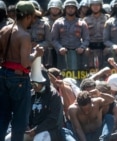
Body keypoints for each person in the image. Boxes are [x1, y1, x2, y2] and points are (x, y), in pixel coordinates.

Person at [0, 1, 44, 141]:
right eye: (33, 17)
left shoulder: (4, 30)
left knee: (2, 117)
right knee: (19, 121)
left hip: (3, 75)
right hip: (19, 79)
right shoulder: (24, 35)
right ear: (27, 16)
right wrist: (36, 54)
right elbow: (25, 63)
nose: (34, 20)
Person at [51, 0, 89, 70]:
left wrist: (82, 47)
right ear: (65, 9)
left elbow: (86, 39)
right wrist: (59, 48)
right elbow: (54, 39)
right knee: (62, 74)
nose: (70, 10)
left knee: (77, 74)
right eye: (68, 7)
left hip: (77, 53)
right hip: (62, 53)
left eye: (72, 8)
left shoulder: (82, 23)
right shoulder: (58, 22)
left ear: (76, 9)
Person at [83, 0, 109, 69]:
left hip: (104, 49)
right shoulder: (85, 20)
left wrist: (108, 47)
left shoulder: (107, 18)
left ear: (101, 6)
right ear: (90, 7)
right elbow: (83, 36)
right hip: (90, 49)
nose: (95, 7)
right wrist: (85, 47)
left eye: (97, 5)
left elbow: (111, 34)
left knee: (105, 69)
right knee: (91, 69)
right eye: (93, 5)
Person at [28, 0, 52, 68]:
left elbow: (49, 41)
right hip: (26, 53)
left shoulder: (44, 24)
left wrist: (38, 45)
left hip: (41, 54)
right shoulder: (23, 24)